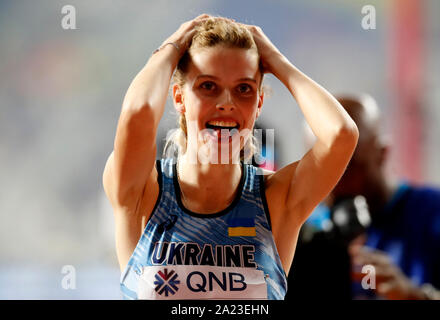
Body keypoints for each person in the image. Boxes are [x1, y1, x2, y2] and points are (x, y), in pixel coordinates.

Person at [102, 14, 358, 300]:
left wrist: (276, 60)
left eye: (243, 89)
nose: (227, 103)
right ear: (178, 97)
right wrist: (170, 49)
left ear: (259, 103)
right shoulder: (145, 191)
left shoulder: (275, 200)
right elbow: (138, 114)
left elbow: (341, 134)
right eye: (208, 86)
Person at [290, 94, 440, 300]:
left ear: (382, 153)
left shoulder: (432, 212)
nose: (333, 183)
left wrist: (414, 295)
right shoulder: (307, 229)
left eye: (348, 168)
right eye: (322, 170)